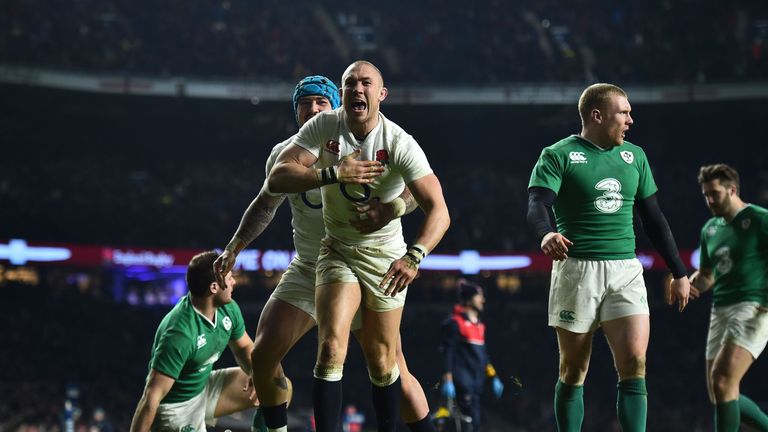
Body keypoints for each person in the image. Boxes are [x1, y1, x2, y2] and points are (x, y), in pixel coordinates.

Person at [215, 75, 437, 432]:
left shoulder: (367, 142)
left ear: (334, 107)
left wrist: (393, 207)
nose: (313, 109)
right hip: (309, 266)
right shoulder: (285, 154)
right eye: (306, 103)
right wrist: (235, 245)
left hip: (362, 261)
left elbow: (415, 192)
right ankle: (275, 428)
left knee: (390, 367)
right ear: (296, 112)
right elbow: (265, 204)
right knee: (263, 354)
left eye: (322, 102)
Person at [267, 60, 450, 432]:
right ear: (343, 92)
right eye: (350, 83)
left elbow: (439, 209)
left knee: (383, 362)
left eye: (366, 83)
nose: (358, 90)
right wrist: (333, 172)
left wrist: (413, 256)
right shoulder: (325, 126)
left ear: (381, 94)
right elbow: (278, 177)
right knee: (330, 348)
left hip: (384, 258)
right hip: (335, 252)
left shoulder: (399, 142)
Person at [526, 83, 691, 431]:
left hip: (625, 269)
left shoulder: (636, 156)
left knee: (634, 362)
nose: (631, 119)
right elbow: (537, 204)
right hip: (577, 270)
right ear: (597, 116)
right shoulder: (558, 154)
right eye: (624, 112)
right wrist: (546, 233)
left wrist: (679, 272)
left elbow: (654, 220)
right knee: (573, 369)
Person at [130, 251, 258, 432]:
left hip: (203, 387)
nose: (234, 282)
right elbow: (151, 398)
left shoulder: (228, 308)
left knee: (276, 382)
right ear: (214, 287)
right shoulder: (180, 333)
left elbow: (245, 346)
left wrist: (256, 372)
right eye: (229, 278)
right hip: (175, 409)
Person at [690, 164, 768, 432]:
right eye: (706, 195)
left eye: (715, 193)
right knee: (719, 392)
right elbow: (708, 276)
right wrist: (689, 283)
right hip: (720, 310)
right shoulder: (710, 229)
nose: (710, 200)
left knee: (723, 382)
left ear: (732, 190)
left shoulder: (759, 219)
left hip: (754, 306)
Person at [439, 279, 504, 432]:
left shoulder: (480, 326)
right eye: (479, 295)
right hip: (462, 384)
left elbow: (483, 356)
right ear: (469, 299)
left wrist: (493, 377)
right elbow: (447, 352)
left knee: (474, 424)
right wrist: (448, 379)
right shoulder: (455, 323)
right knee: (466, 424)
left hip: (477, 384)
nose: (483, 299)